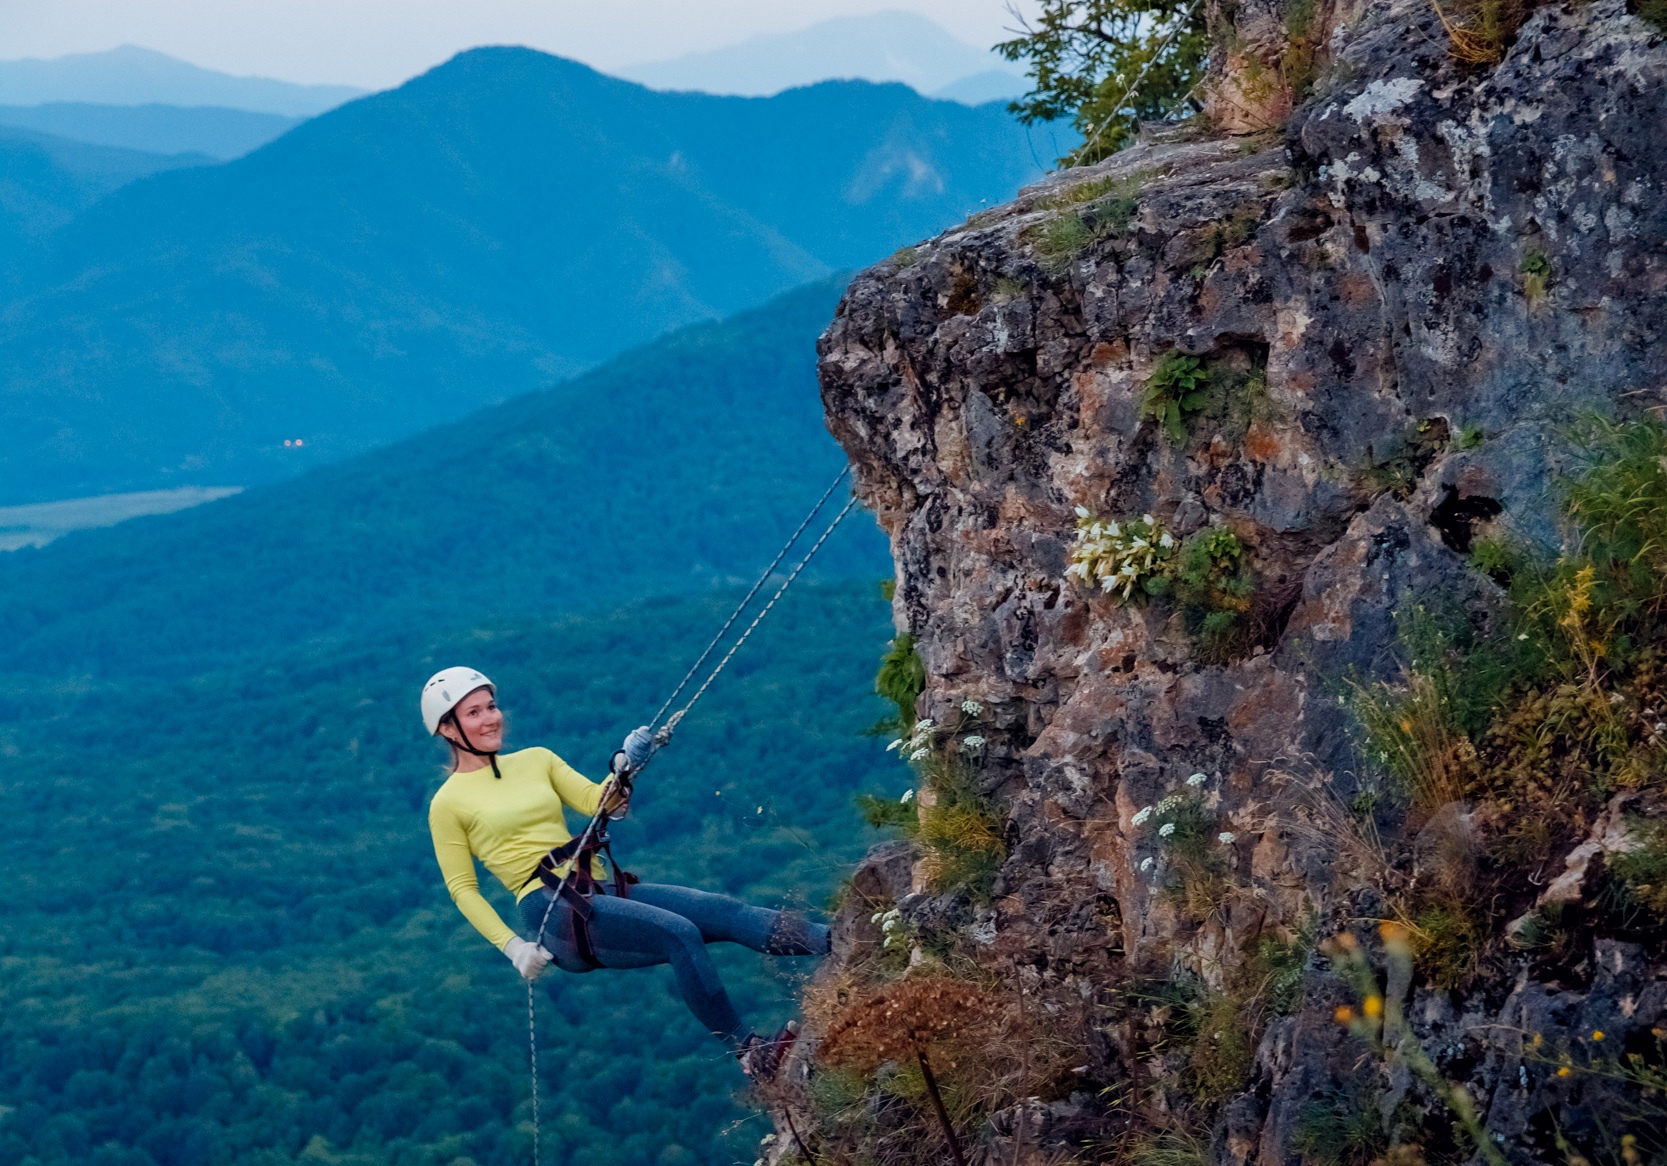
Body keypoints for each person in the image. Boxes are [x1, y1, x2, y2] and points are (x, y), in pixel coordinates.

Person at [421, 666, 826, 1076]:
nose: (491, 718)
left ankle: (838, 940)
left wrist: (624, 769)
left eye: (491, 706)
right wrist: (512, 947)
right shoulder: (448, 802)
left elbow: (601, 804)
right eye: (473, 713)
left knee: (723, 911)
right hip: (549, 910)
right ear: (448, 730)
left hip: (595, 888)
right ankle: (750, 1053)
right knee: (679, 933)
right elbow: (462, 889)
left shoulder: (536, 760)